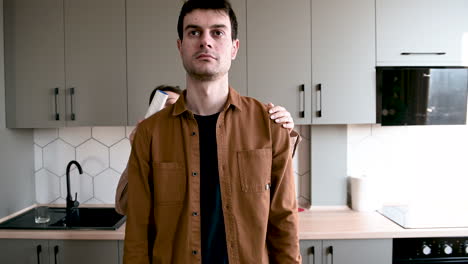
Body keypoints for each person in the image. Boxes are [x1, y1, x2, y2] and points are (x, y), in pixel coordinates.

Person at [124, 0, 301, 263]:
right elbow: (138, 232)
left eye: (217, 32)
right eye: (194, 32)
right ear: (180, 46)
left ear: (234, 48)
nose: (205, 41)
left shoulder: (270, 126)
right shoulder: (150, 134)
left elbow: (284, 222)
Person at [115, 85, 300, 215]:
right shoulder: (151, 154)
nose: (164, 113)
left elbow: (270, 175)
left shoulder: (214, 143)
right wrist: (138, 152)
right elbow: (125, 206)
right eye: (159, 108)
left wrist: (283, 132)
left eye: (171, 106)